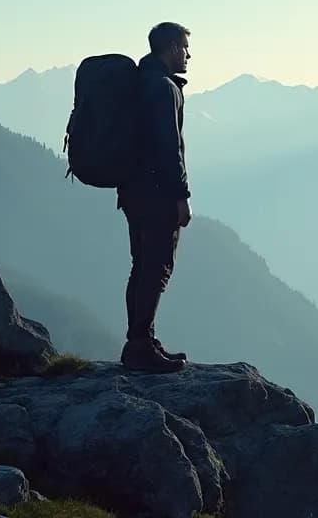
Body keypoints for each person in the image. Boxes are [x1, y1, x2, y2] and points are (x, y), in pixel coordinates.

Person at [118, 21, 194, 373]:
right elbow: (169, 148)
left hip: (133, 191)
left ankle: (141, 340)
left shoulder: (139, 82)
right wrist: (182, 196)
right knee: (157, 268)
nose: (189, 55)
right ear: (171, 47)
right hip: (157, 194)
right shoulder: (164, 88)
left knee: (142, 266)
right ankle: (140, 347)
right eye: (184, 47)